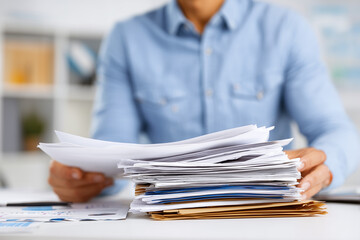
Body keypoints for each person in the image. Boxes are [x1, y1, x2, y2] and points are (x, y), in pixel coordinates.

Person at [48, 0, 360, 203]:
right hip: (166, 220)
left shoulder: (288, 31)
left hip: (266, 216)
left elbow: (335, 129)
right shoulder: (126, 39)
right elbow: (113, 150)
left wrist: (326, 164)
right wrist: (87, 178)